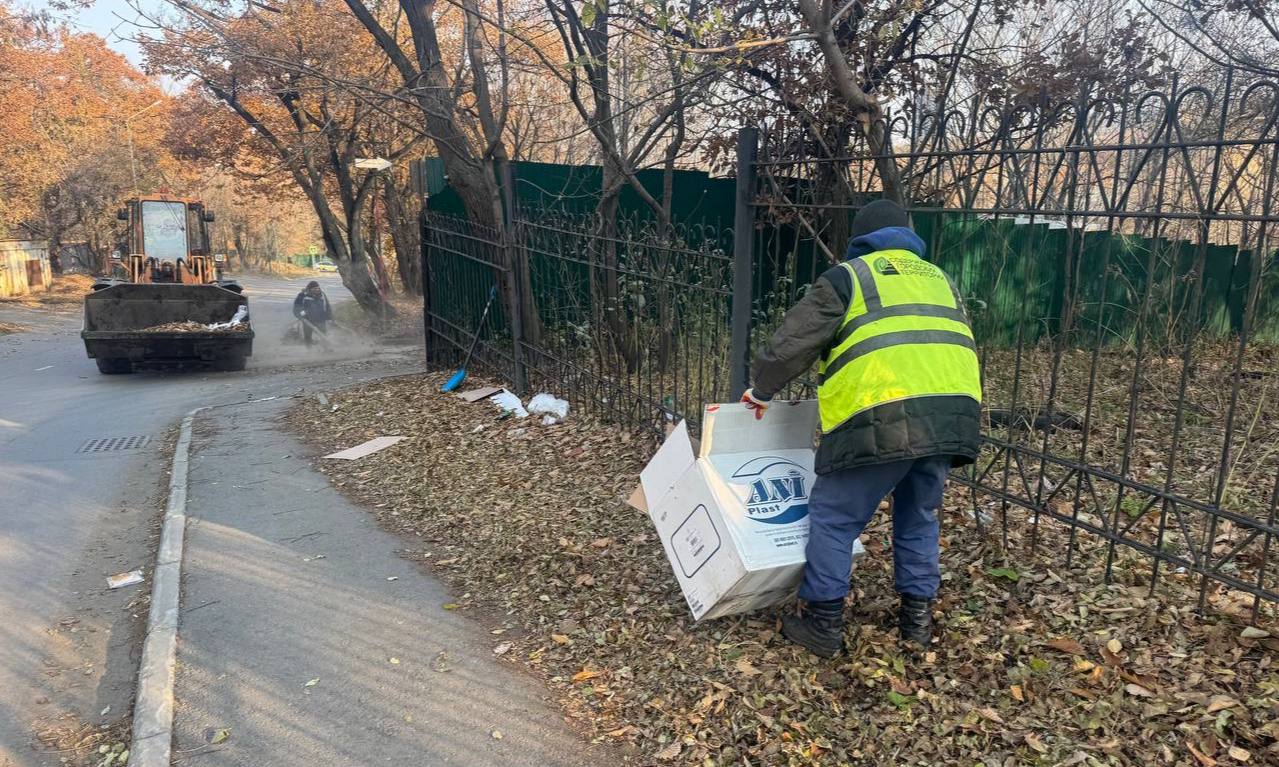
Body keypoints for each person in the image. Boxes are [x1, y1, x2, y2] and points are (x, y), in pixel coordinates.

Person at [741, 199, 982, 657]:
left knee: (834, 518)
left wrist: (762, 389)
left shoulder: (849, 278)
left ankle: (823, 624)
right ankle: (916, 624)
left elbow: (791, 344)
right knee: (919, 516)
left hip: (880, 417)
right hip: (951, 415)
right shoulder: (941, 281)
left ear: (859, 240)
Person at [293, 280, 332, 347]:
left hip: (320, 319)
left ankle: (326, 350)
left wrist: (330, 317)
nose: (317, 290)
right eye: (315, 288)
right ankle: (309, 351)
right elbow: (296, 308)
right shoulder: (302, 296)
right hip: (308, 321)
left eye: (318, 288)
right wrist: (301, 316)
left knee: (323, 335)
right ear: (310, 289)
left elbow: (327, 306)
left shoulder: (322, 295)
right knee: (308, 337)